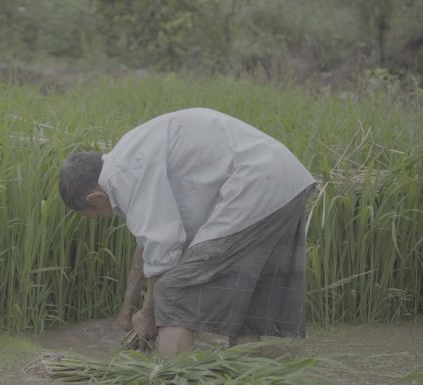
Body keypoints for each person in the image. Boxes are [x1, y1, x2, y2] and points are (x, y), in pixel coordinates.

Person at [57, 108, 316, 358]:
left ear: (95, 196)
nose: (108, 215)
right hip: (285, 181)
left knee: (172, 292)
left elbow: (162, 250)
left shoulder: (123, 175)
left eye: (97, 213)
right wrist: (127, 312)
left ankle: (171, 375)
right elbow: (146, 249)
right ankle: (247, 374)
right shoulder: (127, 158)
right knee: (246, 305)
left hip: (254, 186)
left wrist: (148, 314)